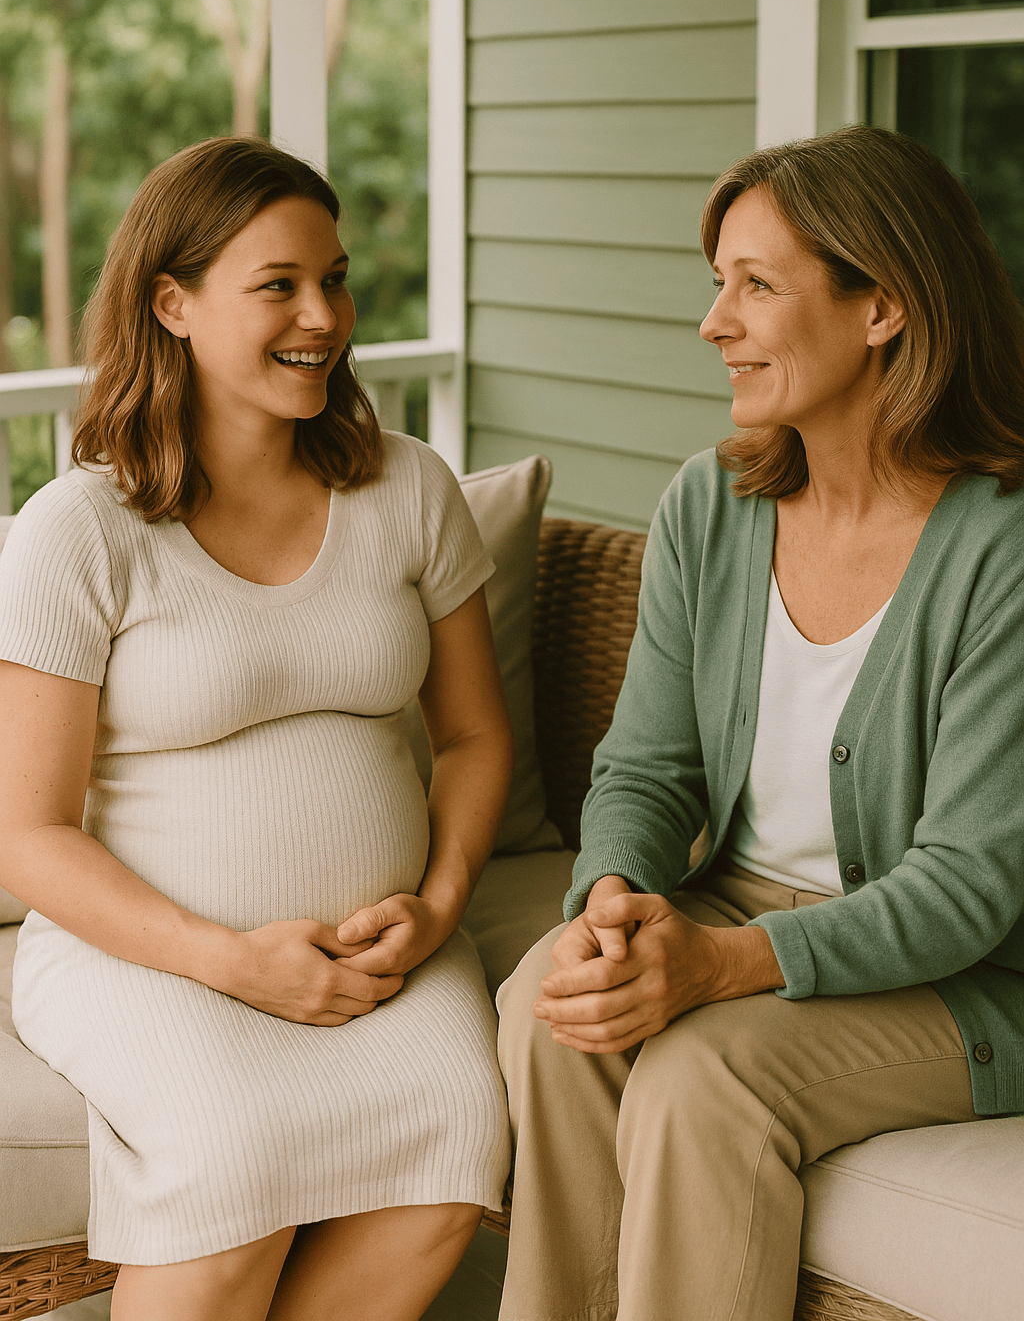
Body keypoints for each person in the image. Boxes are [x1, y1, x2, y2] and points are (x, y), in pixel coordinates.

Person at [496, 124, 1024, 1321]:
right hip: (734, 906)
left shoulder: (1003, 548)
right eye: (716, 284)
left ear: (881, 305)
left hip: (971, 973)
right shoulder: (711, 503)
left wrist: (723, 965)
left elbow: (969, 886)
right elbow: (644, 766)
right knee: (553, 1010)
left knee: (704, 1076)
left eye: (756, 286)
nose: (714, 322)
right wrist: (615, 899)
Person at [0, 137, 513, 1321]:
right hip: (146, 956)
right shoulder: (81, 529)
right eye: (277, 285)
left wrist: (436, 906)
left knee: (452, 1141)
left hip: (384, 955)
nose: (322, 316)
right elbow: (27, 835)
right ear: (171, 303)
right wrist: (230, 961)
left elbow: (477, 739)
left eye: (333, 280)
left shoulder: (410, 488)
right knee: (234, 1163)